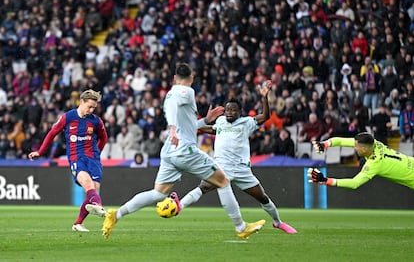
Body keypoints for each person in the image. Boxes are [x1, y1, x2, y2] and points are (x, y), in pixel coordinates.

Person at [102, 63, 266, 240]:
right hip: (185, 150)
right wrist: (172, 128)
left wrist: (206, 120)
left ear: (174, 78)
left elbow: (188, 126)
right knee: (223, 181)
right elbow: (174, 109)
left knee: (159, 193)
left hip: (170, 150)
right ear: (191, 78)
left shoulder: (170, 93)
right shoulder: (186, 91)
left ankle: (115, 215)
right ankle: (241, 227)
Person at [178, 80, 297, 234]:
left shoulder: (247, 122)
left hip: (242, 169)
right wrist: (195, 127)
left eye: (233, 110)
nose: (229, 113)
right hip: (221, 166)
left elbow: (266, 116)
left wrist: (264, 97)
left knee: (263, 197)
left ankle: (278, 222)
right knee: (204, 187)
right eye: (227, 110)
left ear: (240, 112)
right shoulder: (220, 121)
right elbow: (213, 130)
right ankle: (179, 206)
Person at [28, 89, 108, 232]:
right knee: (88, 185)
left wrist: (97, 153)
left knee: (94, 190)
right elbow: (52, 133)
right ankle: (99, 206)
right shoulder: (68, 117)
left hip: (93, 159)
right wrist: (40, 151)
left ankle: (78, 223)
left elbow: (104, 138)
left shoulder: (96, 121)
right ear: (81, 102)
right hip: (76, 158)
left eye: (94, 108)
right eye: (89, 106)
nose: (91, 110)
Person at [309, 132, 414, 190]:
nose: (354, 148)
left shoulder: (374, 164)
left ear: (364, 149)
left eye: (356, 147)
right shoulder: (375, 143)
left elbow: (354, 183)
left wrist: (326, 180)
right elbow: (341, 141)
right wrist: (325, 144)